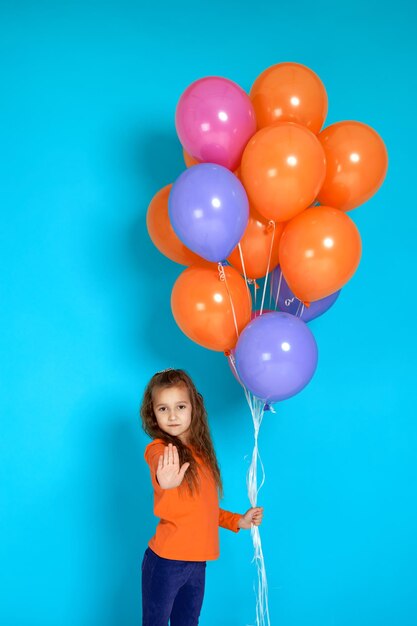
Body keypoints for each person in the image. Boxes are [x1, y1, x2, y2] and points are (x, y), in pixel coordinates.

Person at [139, 368, 264, 626]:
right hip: (166, 562)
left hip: (197, 563)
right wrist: (165, 480)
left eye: (180, 406)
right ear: (153, 413)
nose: (172, 416)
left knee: (189, 622)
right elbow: (158, 464)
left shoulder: (202, 455)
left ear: (194, 407)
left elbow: (204, 509)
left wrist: (238, 521)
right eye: (163, 409)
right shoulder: (159, 450)